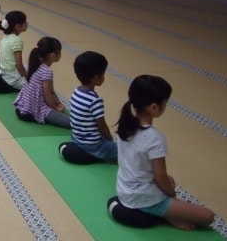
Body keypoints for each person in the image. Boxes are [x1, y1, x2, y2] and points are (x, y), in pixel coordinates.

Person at [115, 75, 215, 230]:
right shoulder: (154, 138)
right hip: (144, 198)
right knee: (208, 217)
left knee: (170, 179)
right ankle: (166, 214)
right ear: (154, 107)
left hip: (124, 190)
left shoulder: (125, 125)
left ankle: (167, 212)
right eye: (165, 103)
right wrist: (172, 195)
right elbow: (160, 178)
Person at [70, 51, 117, 162]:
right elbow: (102, 126)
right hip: (94, 144)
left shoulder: (76, 91)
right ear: (96, 78)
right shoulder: (95, 100)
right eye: (103, 74)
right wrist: (110, 139)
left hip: (77, 138)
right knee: (124, 152)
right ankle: (96, 155)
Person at [13, 36, 70, 129]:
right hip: (31, 112)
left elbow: (51, 91)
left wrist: (59, 103)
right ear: (53, 56)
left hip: (20, 109)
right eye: (59, 52)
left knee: (61, 112)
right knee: (69, 122)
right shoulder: (47, 71)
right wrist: (56, 109)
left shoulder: (35, 64)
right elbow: (48, 95)